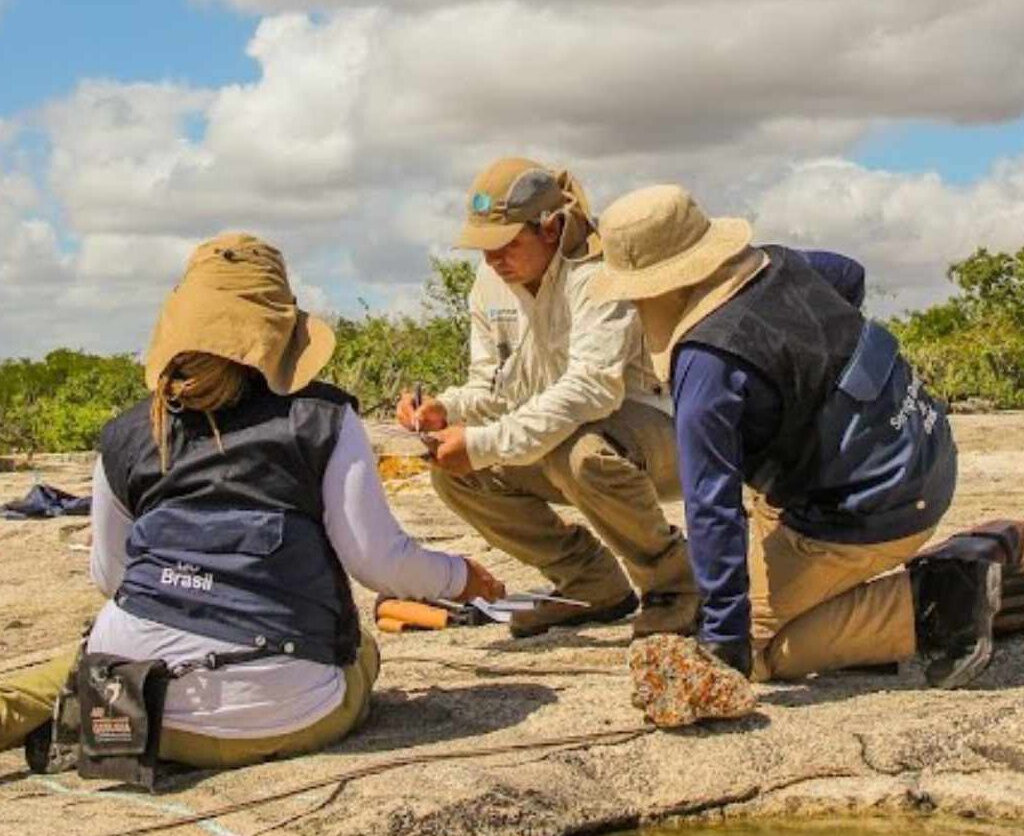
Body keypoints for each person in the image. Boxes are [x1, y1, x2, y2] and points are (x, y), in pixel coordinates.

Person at [0, 232, 503, 769]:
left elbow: (112, 576)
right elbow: (378, 562)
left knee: (84, 660)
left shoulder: (126, 433)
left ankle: (80, 721)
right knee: (361, 653)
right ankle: (100, 725)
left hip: (128, 695)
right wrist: (461, 577)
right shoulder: (323, 417)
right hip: (282, 712)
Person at [590, 184, 1000, 689]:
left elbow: (711, 505)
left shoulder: (706, 363)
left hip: (873, 510)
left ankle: (938, 603)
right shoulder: (781, 264)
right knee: (760, 575)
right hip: (926, 451)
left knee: (762, 652)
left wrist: (725, 639)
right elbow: (849, 274)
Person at [396, 157, 700, 639]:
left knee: (580, 451)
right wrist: (445, 409)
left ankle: (677, 587)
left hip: (660, 437)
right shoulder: (490, 282)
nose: (494, 260)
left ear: (551, 229)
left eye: (507, 244)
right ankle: (590, 582)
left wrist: (481, 443)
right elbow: (492, 387)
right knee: (455, 476)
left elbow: (593, 389)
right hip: (567, 436)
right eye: (485, 248)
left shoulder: (600, 270)